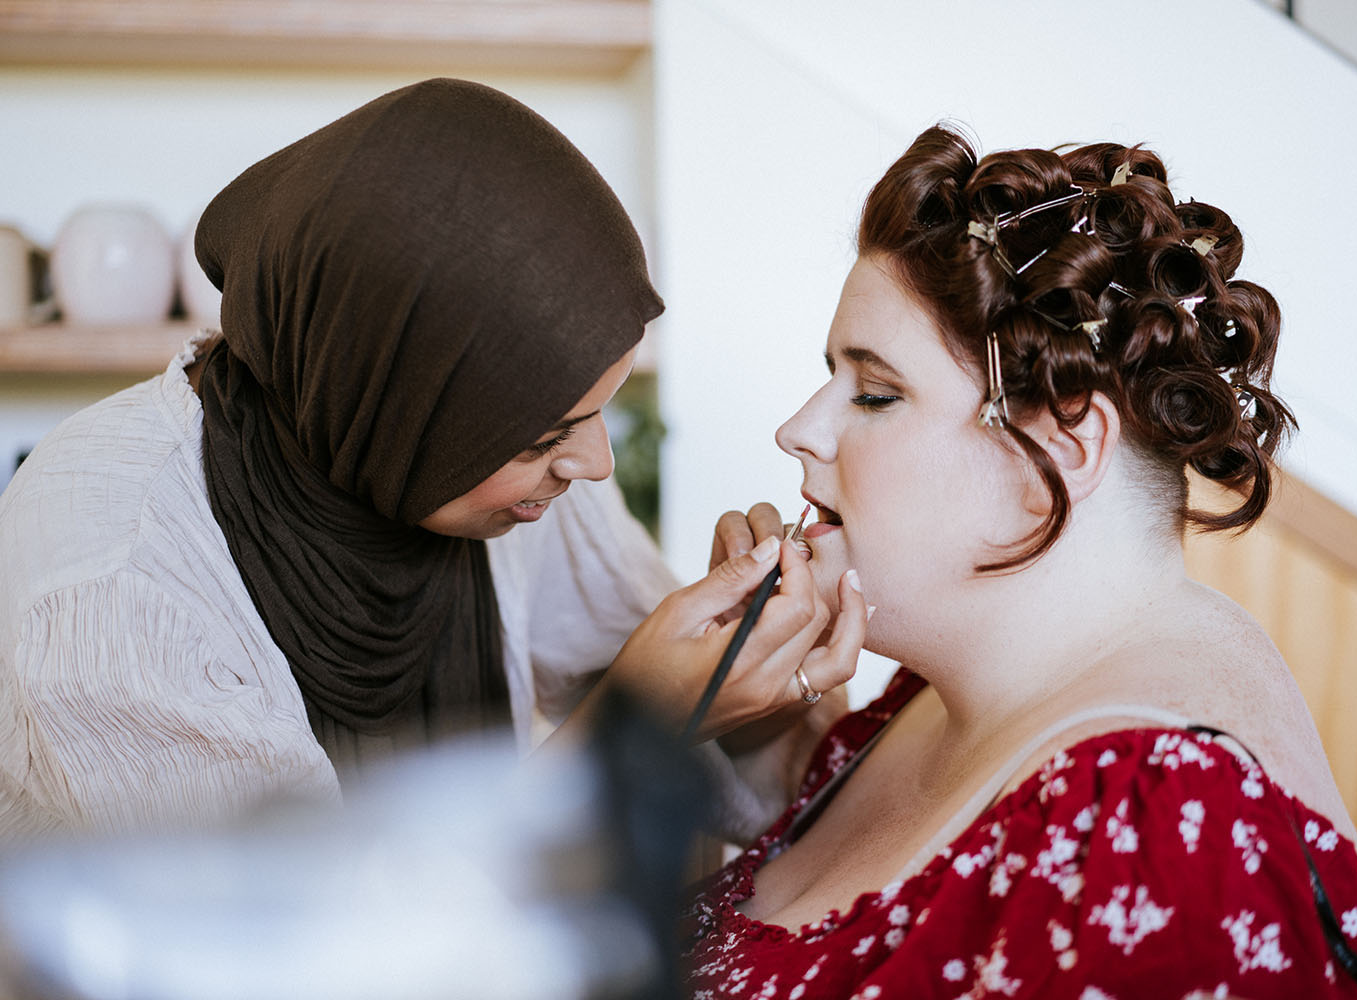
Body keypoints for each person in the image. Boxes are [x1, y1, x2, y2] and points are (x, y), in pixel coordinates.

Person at [0, 79, 865, 842]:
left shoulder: (496, 476)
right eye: (546, 437)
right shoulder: (110, 575)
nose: (595, 463)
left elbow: (748, 784)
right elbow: (304, 958)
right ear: (390, 405)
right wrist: (633, 727)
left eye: (600, 412)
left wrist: (753, 674)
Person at [683, 126, 1357, 997]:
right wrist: (767, 738)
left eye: (876, 393)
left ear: (1063, 450)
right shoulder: (940, 697)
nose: (799, 429)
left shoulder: (1155, 834)